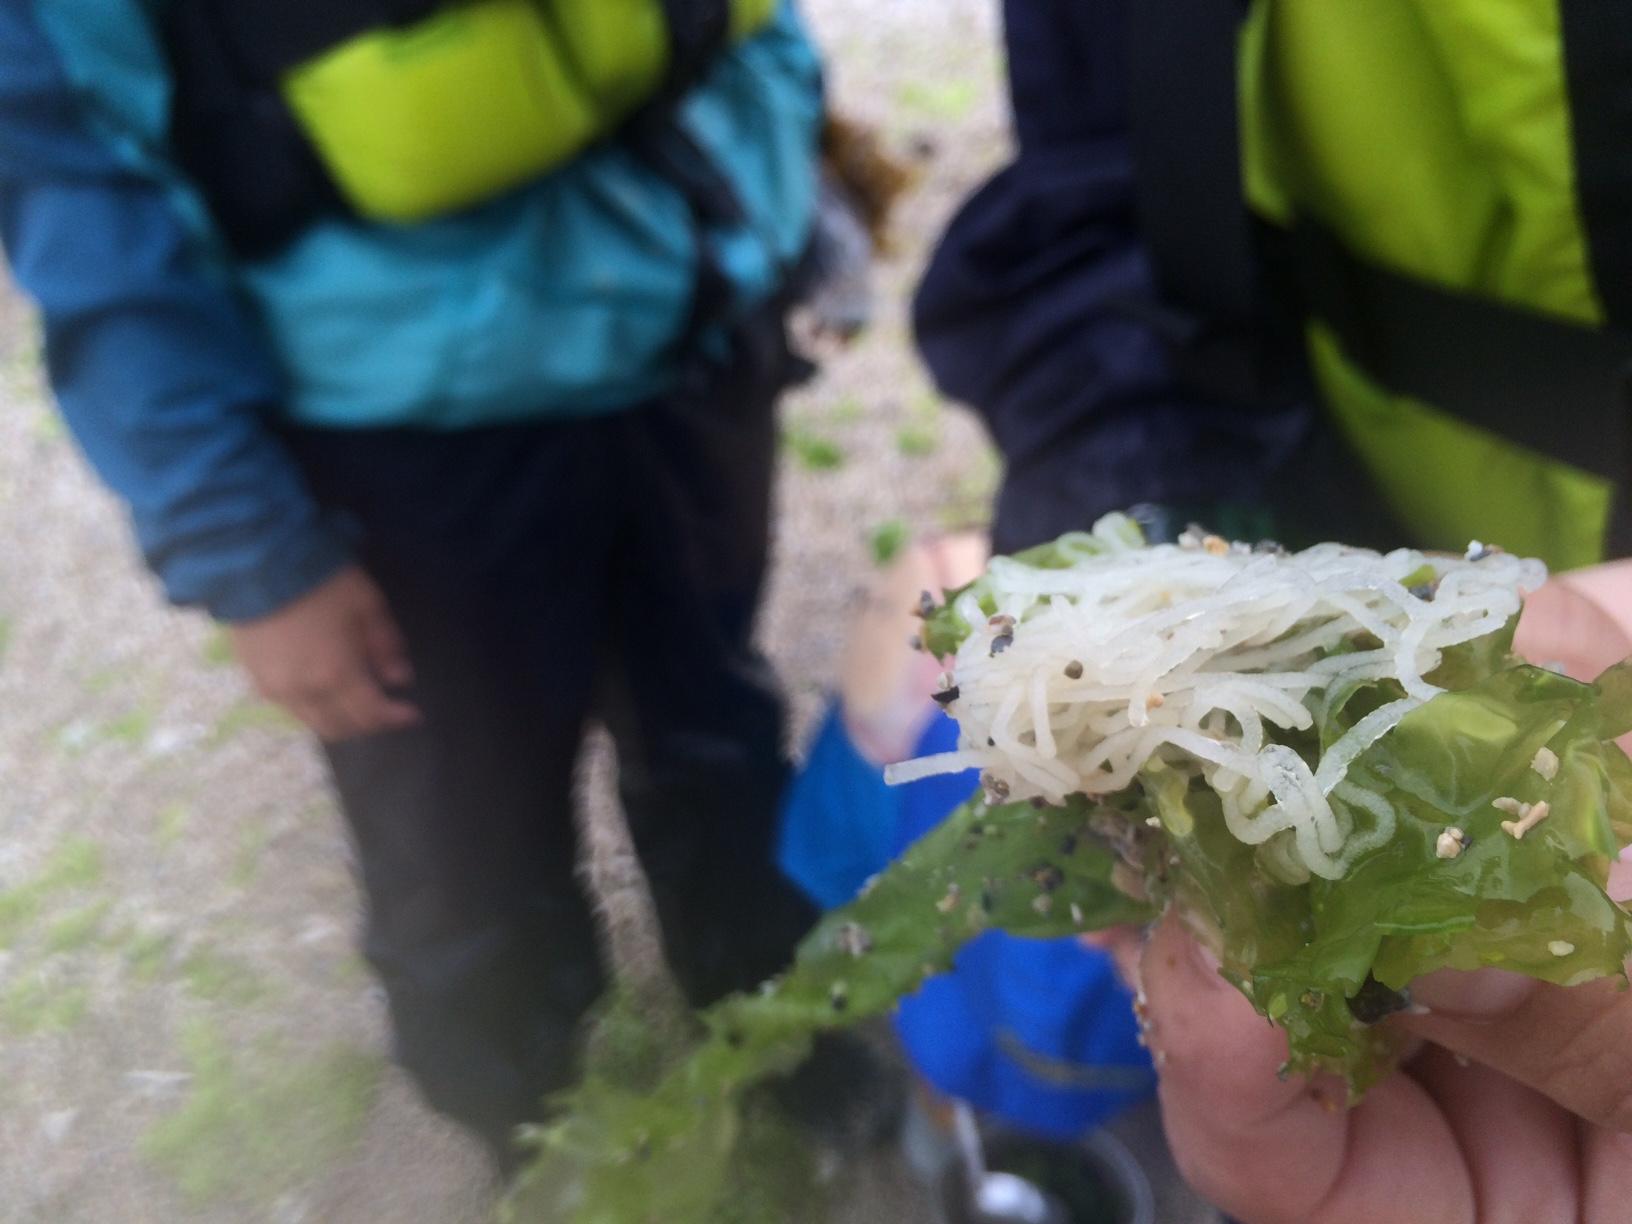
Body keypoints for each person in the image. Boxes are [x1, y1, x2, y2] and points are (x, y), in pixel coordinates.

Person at [0, 0, 828, 1169]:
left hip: (682, 360)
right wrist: (255, 557)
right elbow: (89, 195)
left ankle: (770, 1014)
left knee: (718, 728)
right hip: (401, 456)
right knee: (461, 831)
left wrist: (799, 200)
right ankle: (523, 1115)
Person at [911, 0, 1632, 1218]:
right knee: (1287, 1044)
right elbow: (1108, 195)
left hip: (1488, 635)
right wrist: (1140, 511)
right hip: (1349, 530)